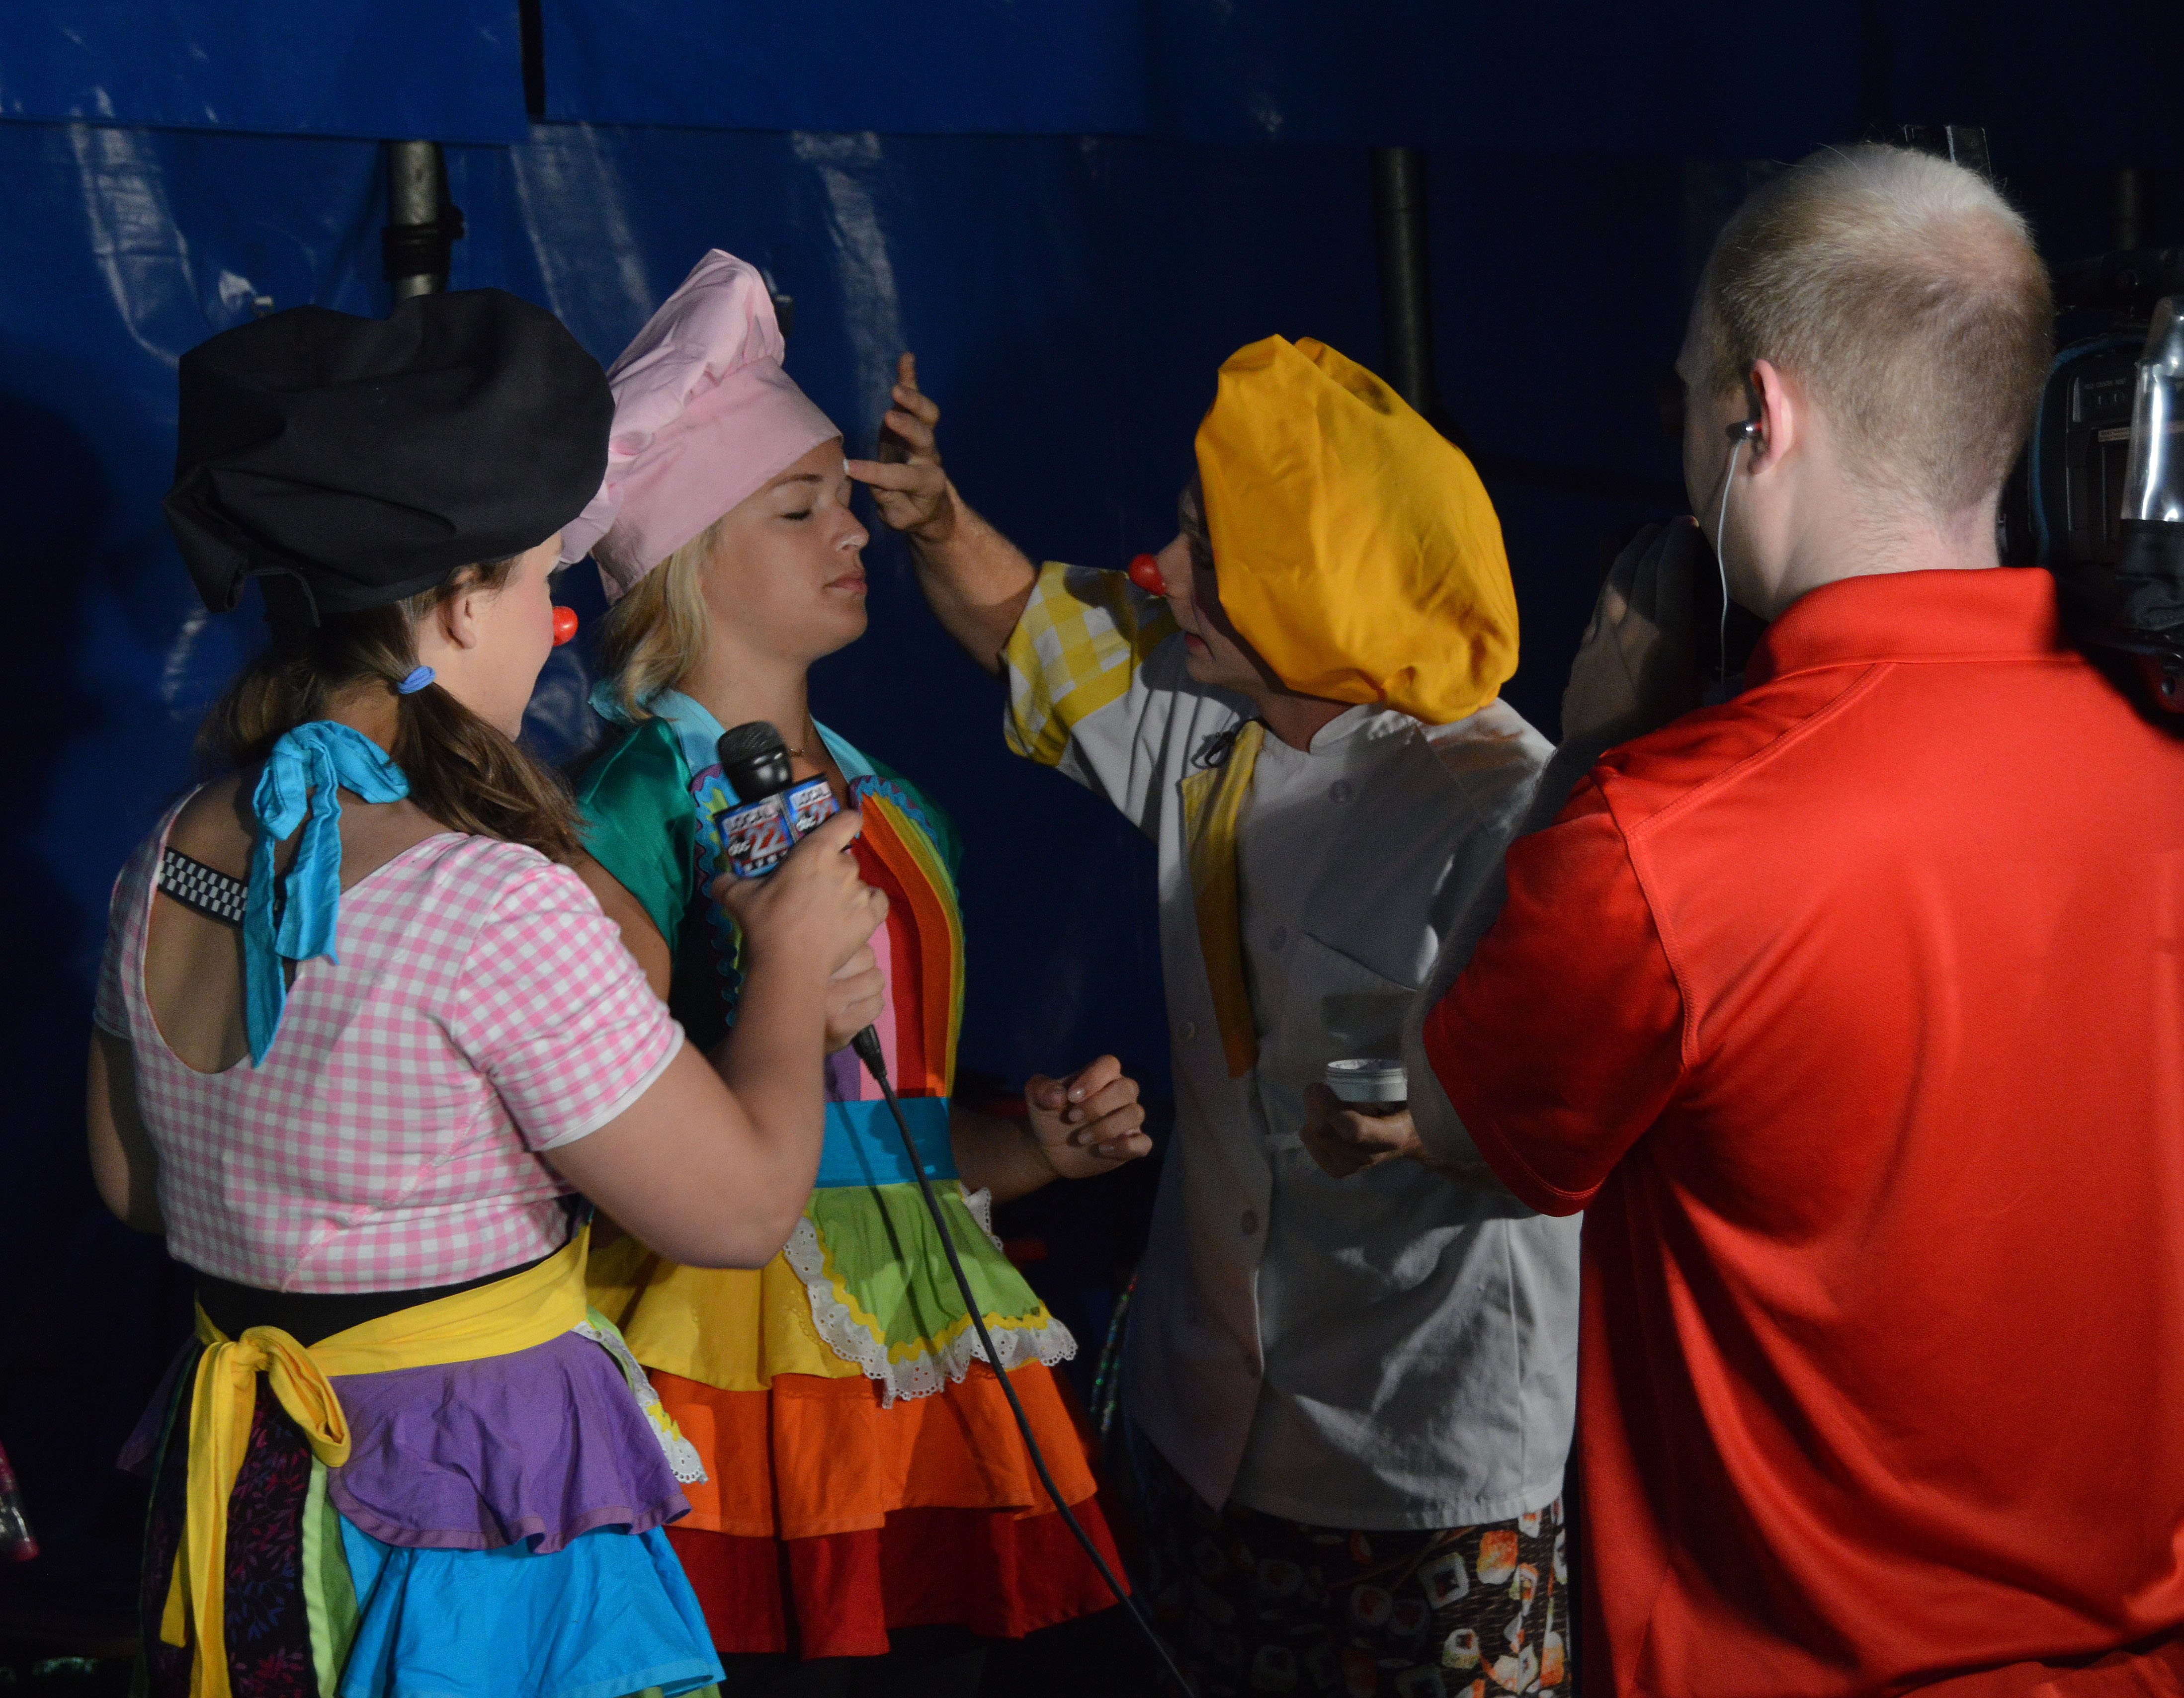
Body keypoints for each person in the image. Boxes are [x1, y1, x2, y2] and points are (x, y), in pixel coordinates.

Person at [1412, 144, 2184, 1694]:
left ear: (1752, 415)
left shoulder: (1654, 838)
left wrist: (1590, 748)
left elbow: (1459, 1120)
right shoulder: (2158, 745)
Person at [88, 288, 885, 1698]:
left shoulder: (169, 850)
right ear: (457, 601)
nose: (557, 621)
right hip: (464, 1505)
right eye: (533, 582)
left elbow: (134, 1187)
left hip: (258, 1496)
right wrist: (781, 964)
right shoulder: (489, 898)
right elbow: (742, 1210)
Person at [856, 335, 1581, 1695]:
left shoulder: (1502, 811)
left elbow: (1584, 1109)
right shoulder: (1209, 714)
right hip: (1209, 1437)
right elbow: (1025, 625)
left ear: (1306, 581)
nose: (1157, 571)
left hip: (1421, 1466)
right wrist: (940, 518)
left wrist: (1432, 1128)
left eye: (1204, 544)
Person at [563, 250, 1152, 1694]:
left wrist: (1034, 1149)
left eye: (849, 499)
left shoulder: (903, 812)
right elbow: (606, 1121)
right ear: (695, 553)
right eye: (802, 504)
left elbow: (896, 1134)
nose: (856, 531)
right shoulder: (632, 807)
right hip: (733, 1367)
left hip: (921, 1351)